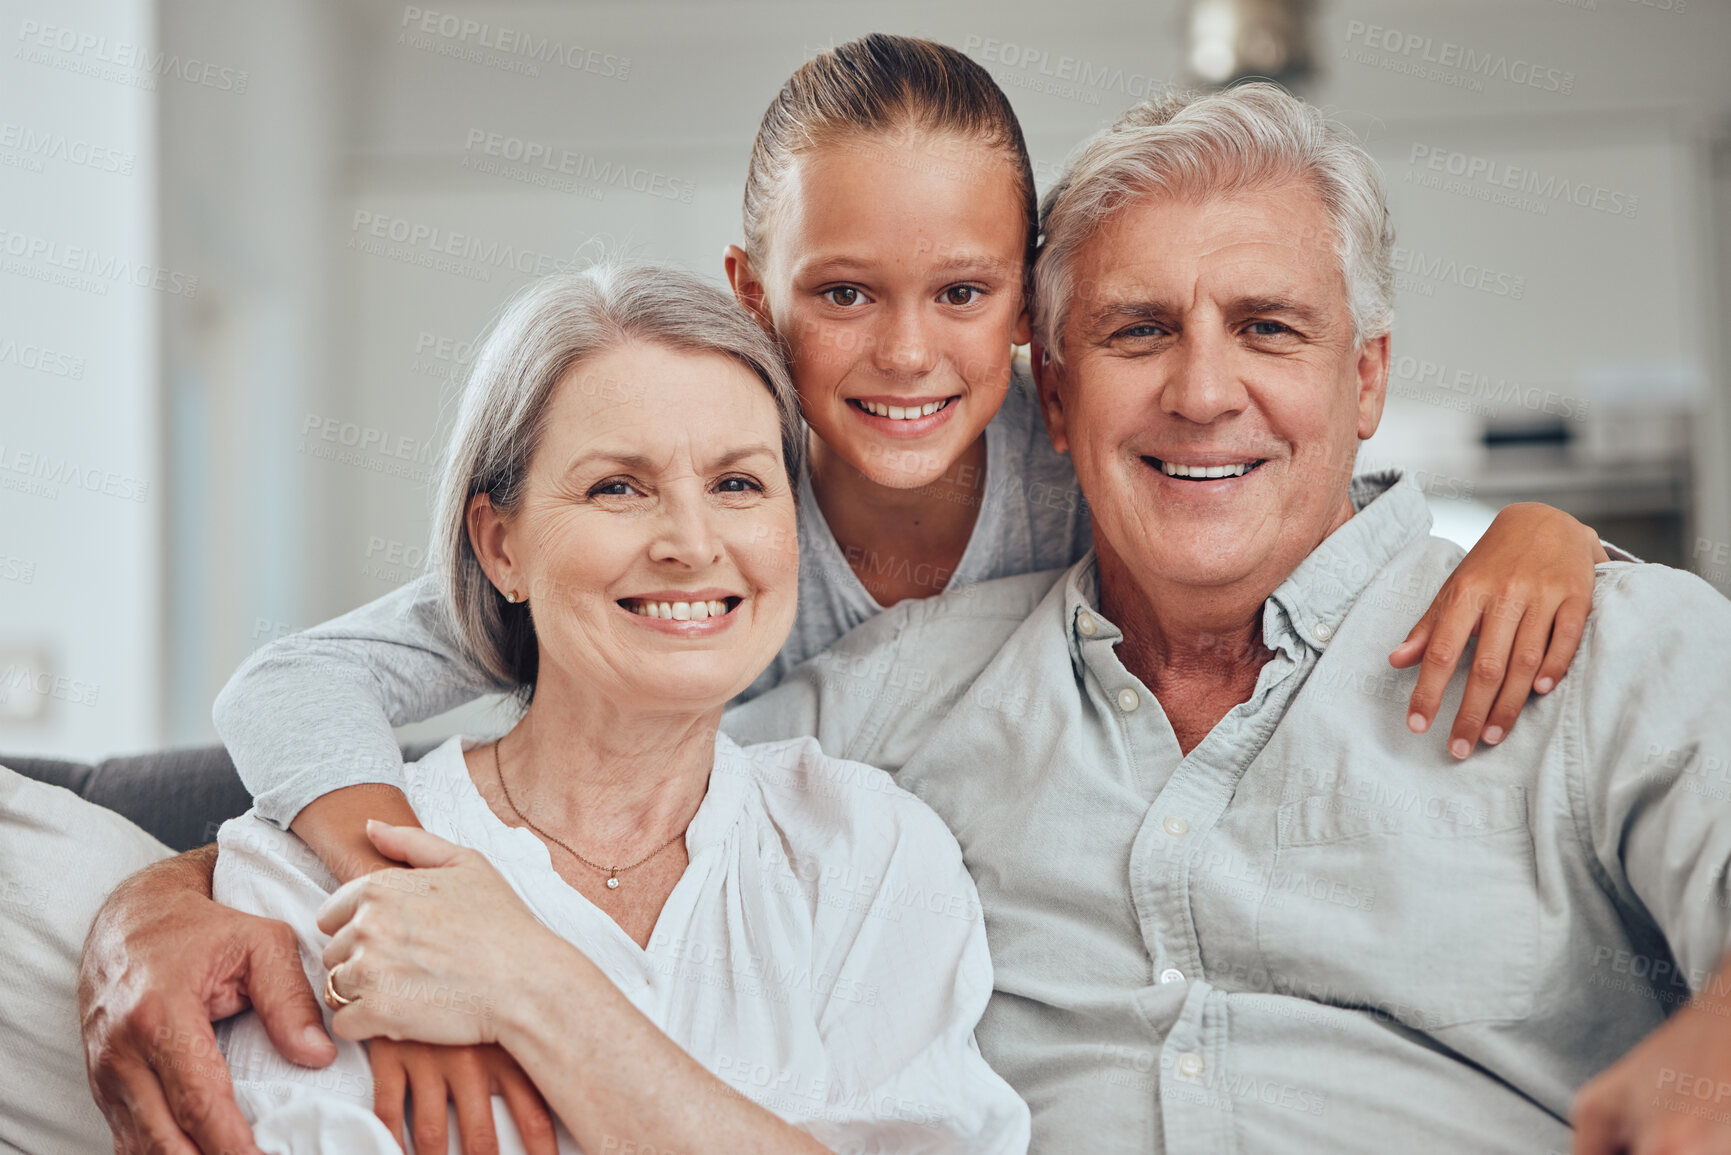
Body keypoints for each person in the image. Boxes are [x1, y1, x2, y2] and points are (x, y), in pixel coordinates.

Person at [77, 37, 1620, 1155]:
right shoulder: (701, 529)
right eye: (839, 295)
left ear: (1031, 311)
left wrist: (1550, 535)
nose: (902, 357)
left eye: (960, 294)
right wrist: (347, 897)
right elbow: (292, 688)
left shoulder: (1085, 458)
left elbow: (1297, 519)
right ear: (754, 292)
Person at [721, 84, 1731, 1151]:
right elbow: (589, 813)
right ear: (1055, 396)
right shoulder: (887, 696)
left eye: (1268, 327)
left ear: (1368, 374)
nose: (1203, 393)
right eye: (1140, 330)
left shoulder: (1610, 650)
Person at [209, 261, 1028, 1154]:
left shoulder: (873, 852)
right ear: (501, 546)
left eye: (738, 484)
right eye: (617, 487)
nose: (690, 542)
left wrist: (534, 984)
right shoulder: (305, 880)